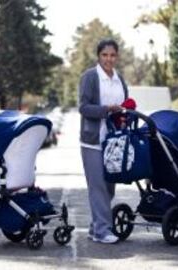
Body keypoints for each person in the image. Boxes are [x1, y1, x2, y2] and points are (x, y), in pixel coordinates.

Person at [78, 39, 128, 244]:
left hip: (114, 141)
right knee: (98, 185)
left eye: (112, 55)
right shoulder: (90, 77)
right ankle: (102, 231)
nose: (109, 59)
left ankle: (95, 227)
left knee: (109, 187)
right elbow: (84, 107)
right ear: (99, 56)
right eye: (105, 55)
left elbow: (125, 105)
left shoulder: (120, 79)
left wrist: (124, 114)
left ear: (116, 57)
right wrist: (107, 109)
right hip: (93, 141)